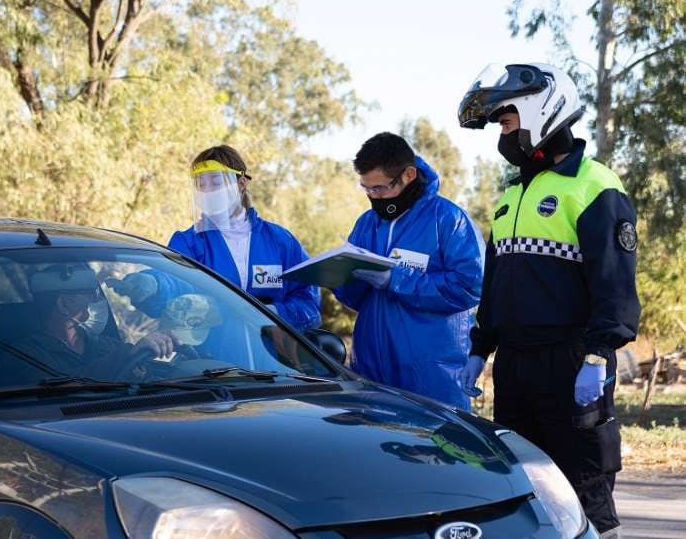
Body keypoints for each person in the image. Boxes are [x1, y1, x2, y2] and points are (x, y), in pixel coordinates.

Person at [457, 62, 640, 538]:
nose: (501, 130)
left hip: (574, 363)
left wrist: (600, 354)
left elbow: (615, 284)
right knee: (522, 489)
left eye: (505, 118)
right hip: (516, 367)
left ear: (542, 108)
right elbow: (495, 285)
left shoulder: (595, 186)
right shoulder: (510, 197)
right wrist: (481, 348)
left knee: (584, 488)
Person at [333, 132, 484, 410]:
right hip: (371, 371)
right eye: (366, 189)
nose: (373, 197)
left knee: (434, 452)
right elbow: (354, 298)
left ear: (409, 175)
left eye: (380, 188)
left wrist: (397, 279)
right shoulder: (367, 223)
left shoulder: (449, 220)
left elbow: (469, 288)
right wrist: (337, 277)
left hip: (432, 377)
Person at [165, 145, 321, 331]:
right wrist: (152, 284)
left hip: (271, 355)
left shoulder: (279, 241)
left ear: (241, 184)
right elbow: (171, 290)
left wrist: (273, 314)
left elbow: (308, 301)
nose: (207, 191)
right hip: (211, 356)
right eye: (201, 185)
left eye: (216, 182)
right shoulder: (189, 243)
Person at [16, 264, 176, 381]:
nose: (99, 301)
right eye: (91, 295)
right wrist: (129, 354)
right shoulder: (24, 356)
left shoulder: (106, 345)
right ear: (64, 304)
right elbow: (65, 388)